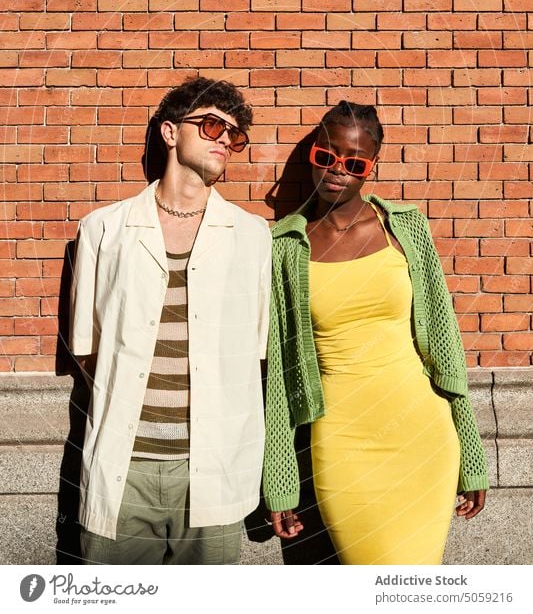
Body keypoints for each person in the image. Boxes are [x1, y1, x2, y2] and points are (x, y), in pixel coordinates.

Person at [263, 101, 488, 565]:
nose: (338, 170)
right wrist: (281, 479)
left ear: (371, 167)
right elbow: (280, 376)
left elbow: (445, 347)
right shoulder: (285, 245)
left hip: (422, 433)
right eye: (326, 156)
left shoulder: (404, 228)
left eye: (354, 162)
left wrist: (472, 453)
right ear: (313, 155)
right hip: (343, 443)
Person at [69, 77, 271, 565]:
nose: (225, 138)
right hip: (125, 466)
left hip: (213, 469)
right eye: (210, 125)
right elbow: (88, 349)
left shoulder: (252, 237)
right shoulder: (103, 230)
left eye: (234, 134)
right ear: (169, 132)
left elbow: (255, 353)